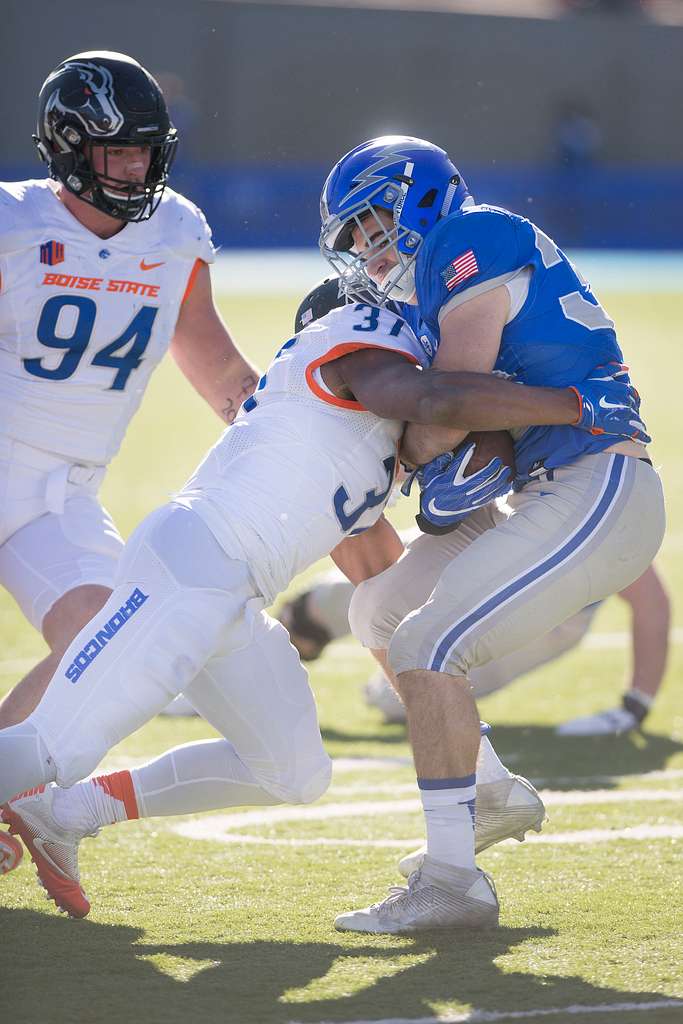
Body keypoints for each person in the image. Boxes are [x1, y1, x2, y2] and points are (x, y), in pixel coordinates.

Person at [0, 285, 636, 919]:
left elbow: (386, 597)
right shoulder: (358, 341)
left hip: (230, 599)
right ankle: (51, 789)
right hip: (189, 568)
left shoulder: (356, 454)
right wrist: (569, 404)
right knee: (51, 748)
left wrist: (480, 759)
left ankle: (66, 813)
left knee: (293, 771)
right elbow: (425, 395)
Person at [318, 135, 665, 933]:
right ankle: (493, 789)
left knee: (425, 648)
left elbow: (453, 399)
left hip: (593, 480)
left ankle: (452, 882)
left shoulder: (468, 237)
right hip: (543, 487)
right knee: (375, 613)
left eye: (372, 225)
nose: (366, 251)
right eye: (355, 237)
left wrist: (406, 455)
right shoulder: (440, 270)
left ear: (419, 201)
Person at [0, 50, 258, 739]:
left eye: (144, 151)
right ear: (68, 144)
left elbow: (219, 367)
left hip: (62, 492)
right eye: (116, 151)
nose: (135, 168)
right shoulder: (14, 226)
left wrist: (297, 435)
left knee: (106, 641)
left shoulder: (175, 231)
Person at [280, 562, 670, 735]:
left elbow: (650, 597)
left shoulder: (594, 472)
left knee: (400, 698)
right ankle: (302, 621)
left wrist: (634, 706)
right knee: (349, 596)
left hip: (546, 615)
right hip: (484, 537)